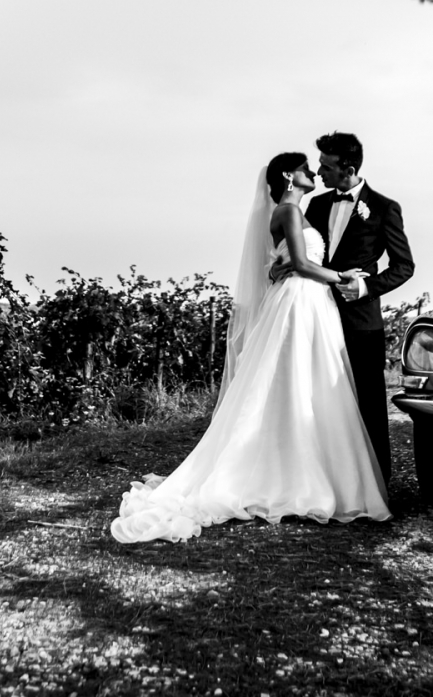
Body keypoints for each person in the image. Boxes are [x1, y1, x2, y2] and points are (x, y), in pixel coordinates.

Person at [109, 152, 392, 543]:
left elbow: (284, 263)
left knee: (307, 381)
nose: (313, 173)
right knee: (295, 381)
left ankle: (312, 472)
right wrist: (340, 275)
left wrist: (280, 268)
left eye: (317, 167)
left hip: (310, 301)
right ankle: (300, 478)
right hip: (299, 302)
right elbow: (303, 264)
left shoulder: (297, 211)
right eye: (306, 169)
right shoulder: (290, 213)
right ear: (288, 178)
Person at [290, 132, 415, 485]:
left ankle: (377, 483)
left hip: (362, 322)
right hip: (316, 315)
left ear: (348, 167)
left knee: (370, 404)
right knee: (321, 398)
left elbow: (404, 266)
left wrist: (363, 286)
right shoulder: (316, 205)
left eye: (325, 166)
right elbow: (306, 256)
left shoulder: (385, 207)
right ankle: (326, 479)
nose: (319, 172)